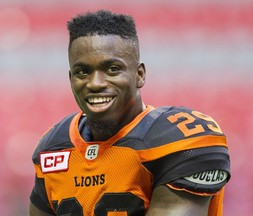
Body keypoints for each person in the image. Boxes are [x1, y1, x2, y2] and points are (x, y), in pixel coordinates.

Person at [29, 10, 231, 216]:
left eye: (113, 69)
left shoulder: (182, 141)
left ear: (139, 75)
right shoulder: (54, 147)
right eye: (83, 72)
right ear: (71, 78)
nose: (95, 83)